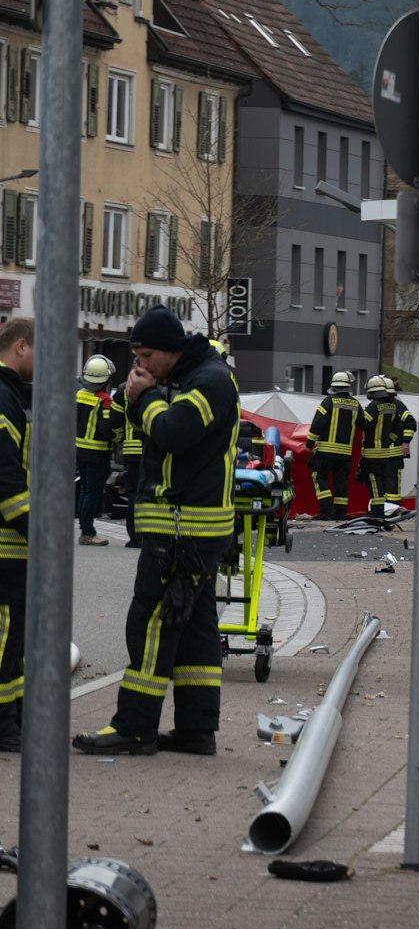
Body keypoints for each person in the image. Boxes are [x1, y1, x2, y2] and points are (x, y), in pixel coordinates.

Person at [73, 307, 239, 757]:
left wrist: (144, 399)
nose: (139, 366)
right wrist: (139, 397)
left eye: (145, 356)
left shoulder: (209, 381)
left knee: (150, 622)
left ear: (169, 350)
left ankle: (135, 726)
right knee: (196, 628)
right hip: (188, 528)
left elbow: (172, 432)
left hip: (184, 530)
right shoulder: (182, 378)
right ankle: (195, 730)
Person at [0, 319, 34, 753]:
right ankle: (4, 724)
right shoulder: (5, 397)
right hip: (7, 544)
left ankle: (16, 717)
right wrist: (37, 530)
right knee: (6, 637)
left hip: (12, 543)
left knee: (13, 638)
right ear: (21, 346)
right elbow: (6, 475)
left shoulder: (12, 395)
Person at [75, 354, 119, 546]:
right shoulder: (104, 401)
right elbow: (106, 427)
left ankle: (85, 529)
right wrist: (119, 438)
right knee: (92, 492)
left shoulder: (78, 395)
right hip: (98, 453)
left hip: (79, 451)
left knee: (85, 490)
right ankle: (88, 532)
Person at [357, 375, 415, 520]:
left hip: (383, 452)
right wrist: (390, 438)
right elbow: (395, 427)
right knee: (384, 482)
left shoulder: (388, 405)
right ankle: (389, 509)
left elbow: (410, 423)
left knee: (384, 482)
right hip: (386, 451)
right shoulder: (392, 406)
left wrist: (404, 442)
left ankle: (387, 509)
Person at [305, 370, 359, 521]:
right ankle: (341, 513)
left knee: (318, 475)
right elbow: (364, 423)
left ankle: (326, 510)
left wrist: (309, 443)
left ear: (334, 387)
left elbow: (318, 423)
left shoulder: (329, 401)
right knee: (340, 481)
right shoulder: (355, 404)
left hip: (326, 450)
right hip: (345, 453)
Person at [110, 372, 146, 546]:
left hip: (131, 451)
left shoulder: (124, 389)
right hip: (151, 451)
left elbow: (114, 420)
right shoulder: (159, 387)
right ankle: (148, 535)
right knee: (150, 493)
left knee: (133, 494)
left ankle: (134, 537)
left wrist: (119, 438)